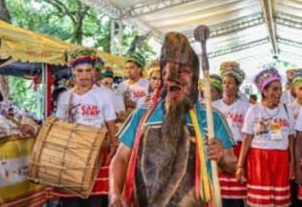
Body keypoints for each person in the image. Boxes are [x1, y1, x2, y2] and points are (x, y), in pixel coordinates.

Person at [109, 32, 237, 207]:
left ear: (194, 79)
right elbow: (121, 158)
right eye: (169, 71)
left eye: (183, 71)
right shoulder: (143, 115)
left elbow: (231, 165)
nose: (175, 77)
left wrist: (221, 156)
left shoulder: (211, 117)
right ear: (162, 75)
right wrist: (115, 195)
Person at [53, 48, 117, 207]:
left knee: (94, 200)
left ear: (94, 71)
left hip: (96, 152)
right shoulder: (65, 97)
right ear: (73, 71)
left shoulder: (103, 95)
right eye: (80, 70)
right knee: (70, 201)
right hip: (71, 153)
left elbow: (110, 124)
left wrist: (114, 146)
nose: (84, 75)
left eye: (88, 70)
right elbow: (59, 124)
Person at [236, 67, 295, 207]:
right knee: (261, 202)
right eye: (274, 89)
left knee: (280, 202)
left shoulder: (287, 110)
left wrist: (291, 160)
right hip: (259, 159)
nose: (279, 93)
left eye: (279, 89)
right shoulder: (254, 110)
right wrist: (240, 165)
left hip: (281, 159)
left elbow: (291, 138)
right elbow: (247, 140)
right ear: (264, 91)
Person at [212, 65, 249, 207]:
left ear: (238, 86)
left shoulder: (245, 107)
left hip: (237, 150)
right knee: (219, 193)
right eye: (224, 82)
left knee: (236, 196)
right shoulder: (213, 106)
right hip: (219, 150)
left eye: (230, 82)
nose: (226, 85)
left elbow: (247, 134)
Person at [287, 73, 302, 206]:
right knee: (295, 183)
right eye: (301, 88)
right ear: (294, 90)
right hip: (293, 150)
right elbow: (293, 138)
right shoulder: (288, 108)